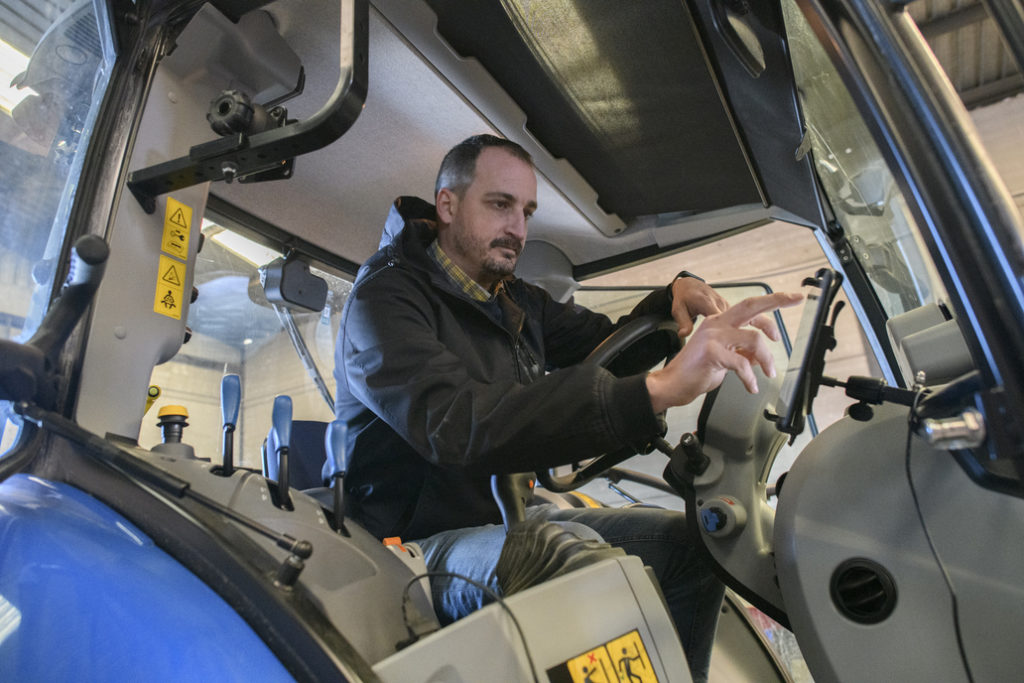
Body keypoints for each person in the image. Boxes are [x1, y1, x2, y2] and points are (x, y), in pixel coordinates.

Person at [334, 134, 801, 681]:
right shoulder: (384, 301)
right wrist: (657, 389)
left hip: (510, 516)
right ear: (447, 204)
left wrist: (669, 303)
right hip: (411, 545)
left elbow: (607, 351)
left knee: (690, 546)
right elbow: (459, 424)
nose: (518, 228)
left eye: (527, 211)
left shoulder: (514, 299)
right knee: (568, 559)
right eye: (500, 204)